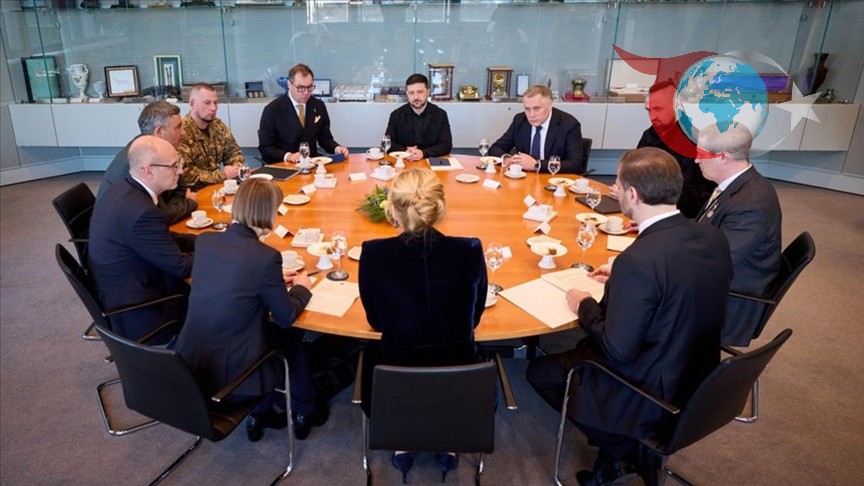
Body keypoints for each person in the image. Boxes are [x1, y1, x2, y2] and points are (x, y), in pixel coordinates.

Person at [526, 147, 732, 486]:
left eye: (619, 186)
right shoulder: (712, 236)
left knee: (539, 373)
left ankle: (624, 448)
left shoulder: (637, 261)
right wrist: (621, 280)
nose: (616, 191)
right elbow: (680, 280)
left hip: (651, 389)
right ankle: (613, 459)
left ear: (633, 194)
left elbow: (616, 349)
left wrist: (583, 304)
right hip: (700, 375)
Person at [358, 168, 488, 483]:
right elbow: (474, 318)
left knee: (367, 352)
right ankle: (449, 439)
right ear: (438, 207)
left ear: (393, 210)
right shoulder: (470, 251)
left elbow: (376, 322)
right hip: (460, 383)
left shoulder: (374, 254)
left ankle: (402, 438)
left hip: (393, 385)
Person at [174, 178, 327, 441]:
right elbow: (286, 316)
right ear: (269, 213)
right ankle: (304, 410)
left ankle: (261, 415)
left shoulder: (206, 242)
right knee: (291, 336)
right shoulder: (265, 257)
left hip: (191, 366)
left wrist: (271, 279)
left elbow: (233, 275)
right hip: (235, 380)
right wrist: (302, 288)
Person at [88, 136, 195, 342]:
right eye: (174, 166)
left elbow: (160, 237)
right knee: (218, 298)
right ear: (148, 170)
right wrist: (217, 251)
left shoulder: (122, 190)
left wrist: (202, 241)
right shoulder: (142, 212)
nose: (180, 171)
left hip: (119, 290)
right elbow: (181, 267)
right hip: (142, 311)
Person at [695, 125, 782, 346]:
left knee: (638, 292)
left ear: (723, 157)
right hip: (721, 278)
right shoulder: (739, 185)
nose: (696, 160)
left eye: (701, 154)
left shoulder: (751, 204)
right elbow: (705, 227)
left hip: (729, 300)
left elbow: (715, 263)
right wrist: (661, 225)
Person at [97, 101, 198, 225]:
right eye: (178, 127)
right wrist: (189, 203)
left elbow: (181, 188)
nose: (183, 132)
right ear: (159, 132)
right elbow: (158, 216)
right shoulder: (138, 163)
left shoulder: (160, 152)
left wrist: (175, 206)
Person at [637, 81, 716, 218]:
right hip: (649, 204)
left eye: (658, 109)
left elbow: (689, 199)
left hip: (680, 215)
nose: (652, 117)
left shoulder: (693, 142)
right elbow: (635, 170)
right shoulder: (650, 134)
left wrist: (642, 197)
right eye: (648, 110)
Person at [258, 63, 349, 164]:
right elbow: (265, 147)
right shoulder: (273, 110)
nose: (306, 93)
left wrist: (337, 148)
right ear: (289, 84)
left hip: (311, 163)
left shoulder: (318, 105)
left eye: (309, 87)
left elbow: (325, 138)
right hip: (284, 165)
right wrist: (288, 156)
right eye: (301, 88)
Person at [488, 85, 584, 174]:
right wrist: (507, 159)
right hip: (524, 179)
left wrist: (536, 165)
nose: (531, 115)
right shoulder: (520, 120)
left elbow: (575, 164)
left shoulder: (569, 124)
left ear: (550, 105)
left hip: (554, 179)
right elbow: (495, 148)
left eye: (537, 109)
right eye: (527, 109)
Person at [177, 83, 244, 189]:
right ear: (192, 104)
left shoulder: (218, 125)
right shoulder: (181, 132)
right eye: (207, 103)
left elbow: (233, 152)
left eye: (215, 103)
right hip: (193, 192)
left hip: (219, 188)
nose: (213, 108)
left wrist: (236, 167)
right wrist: (223, 175)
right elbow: (187, 175)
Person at [384, 73, 453, 160]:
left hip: (430, 161)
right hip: (404, 161)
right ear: (406, 94)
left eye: (420, 92)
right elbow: (388, 144)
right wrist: (406, 152)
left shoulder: (440, 114)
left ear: (428, 92)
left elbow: (446, 145)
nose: (416, 97)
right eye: (411, 93)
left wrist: (423, 153)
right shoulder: (396, 115)